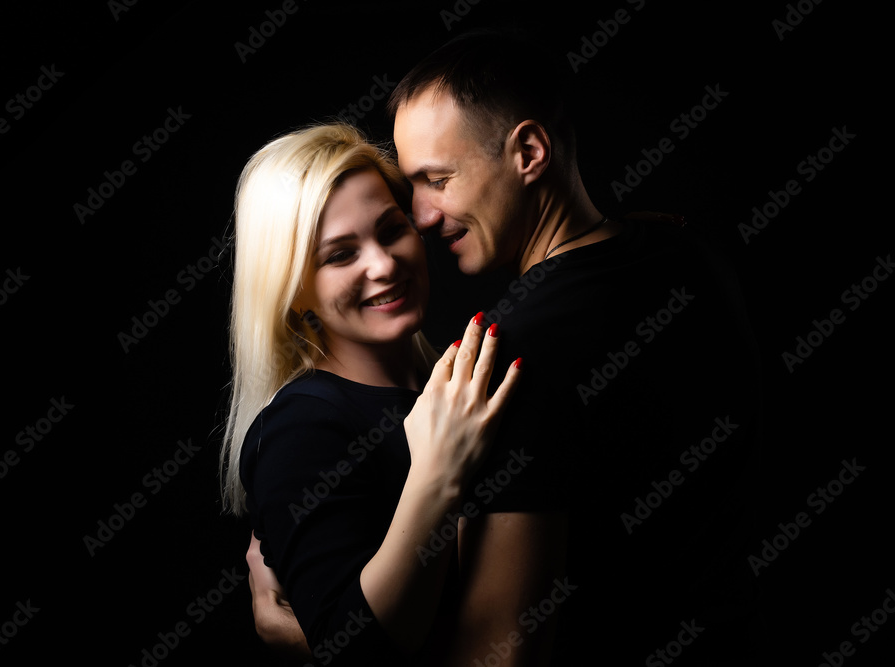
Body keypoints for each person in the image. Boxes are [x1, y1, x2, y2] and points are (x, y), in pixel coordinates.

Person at [253, 29, 766, 666]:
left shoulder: (508, 355)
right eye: (341, 253)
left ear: (528, 152)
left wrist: (306, 636)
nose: (422, 217)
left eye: (437, 179)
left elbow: (498, 656)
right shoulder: (691, 255)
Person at [220, 122, 522, 666]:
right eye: (339, 255)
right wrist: (439, 473)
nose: (384, 265)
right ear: (290, 289)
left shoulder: (449, 382)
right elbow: (358, 651)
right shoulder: (299, 429)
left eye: (390, 229)